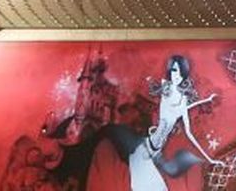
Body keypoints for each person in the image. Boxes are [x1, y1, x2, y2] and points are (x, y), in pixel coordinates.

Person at [92, 55, 224, 190]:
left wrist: (210, 159)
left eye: (179, 71)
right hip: (144, 152)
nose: (176, 75)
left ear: (184, 73)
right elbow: (171, 107)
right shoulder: (166, 91)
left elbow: (190, 133)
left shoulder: (182, 100)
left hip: (152, 154)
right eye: (173, 70)